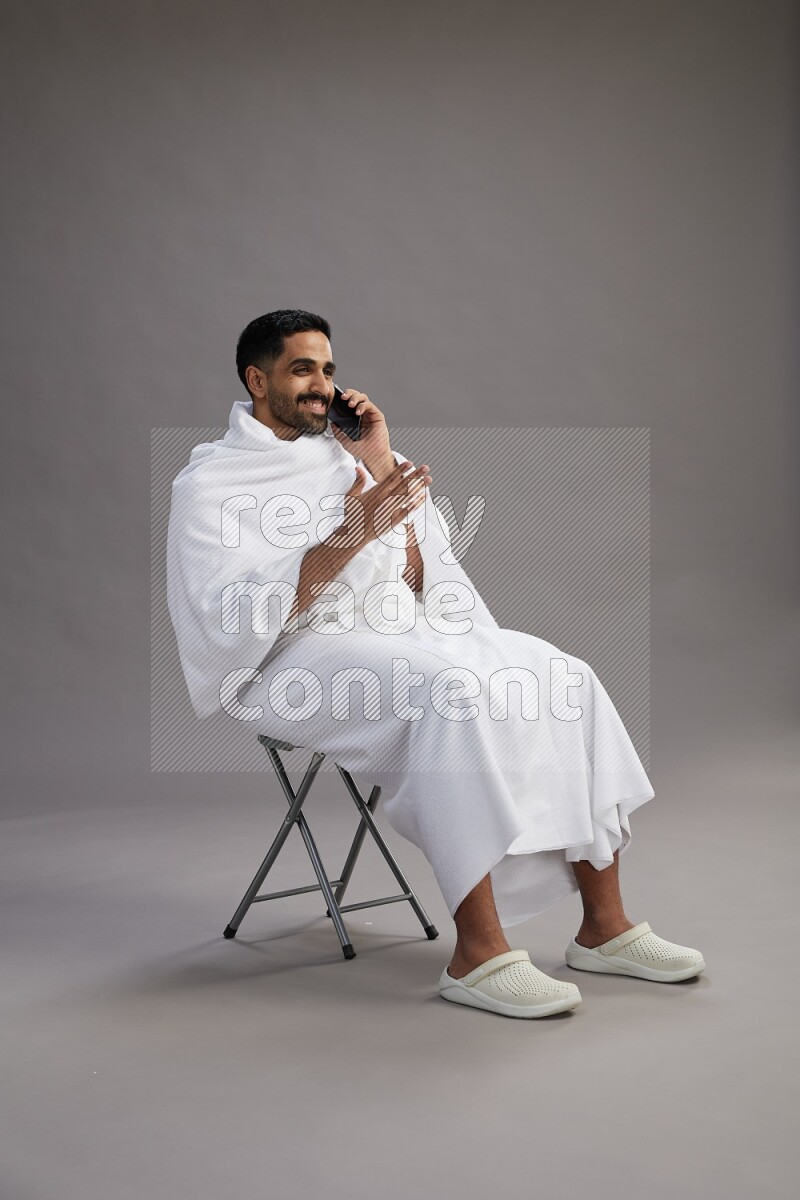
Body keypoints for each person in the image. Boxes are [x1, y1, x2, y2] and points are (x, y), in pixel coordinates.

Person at [166, 308, 706, 1020]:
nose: (322, 385)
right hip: (289, 658)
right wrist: (354, 530)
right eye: (302, 369)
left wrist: (383, 461)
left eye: (328, 369)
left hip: (395, 630)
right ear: (255, 379)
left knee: (563, 675)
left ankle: (602, 928)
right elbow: (229, 619)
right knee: (448, 691)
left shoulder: (348, 459)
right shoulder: (211, 484)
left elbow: (425, 581)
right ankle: (477, 952)